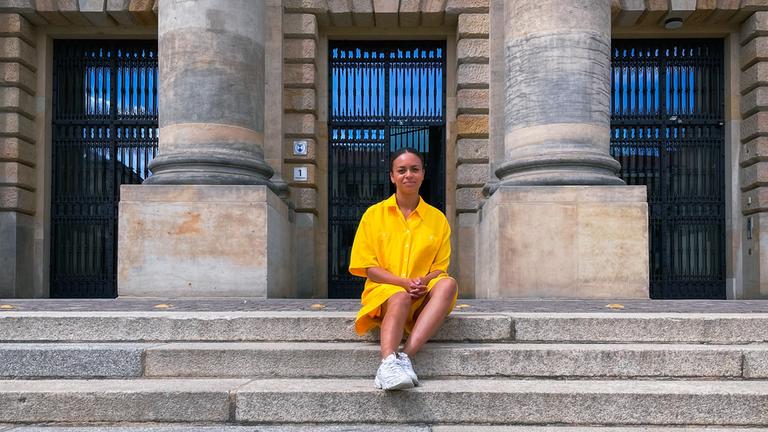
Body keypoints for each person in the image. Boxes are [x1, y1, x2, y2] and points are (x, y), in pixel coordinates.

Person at [348, 147, 459, 390]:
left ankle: (404, 357)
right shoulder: (373, 215)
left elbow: (440, 269)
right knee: (399, 297)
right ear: (392, 176)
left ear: (422, 174)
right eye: (402, 170)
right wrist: (403, 283)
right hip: (385, 293)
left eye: (414, 169)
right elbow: (368, 268)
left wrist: (420, 282)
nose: (408, 174)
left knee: (448, 283)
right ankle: (387, 362)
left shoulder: (437, 219)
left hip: (421, 294)